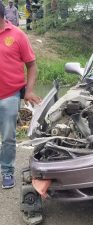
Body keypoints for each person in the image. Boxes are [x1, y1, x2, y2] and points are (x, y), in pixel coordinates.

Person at [0, 2, 41, 189]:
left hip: (9, 95)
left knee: (8, 136)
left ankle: (7, 171)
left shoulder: (17, 35)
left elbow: (31, 65)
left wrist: (29, 90)